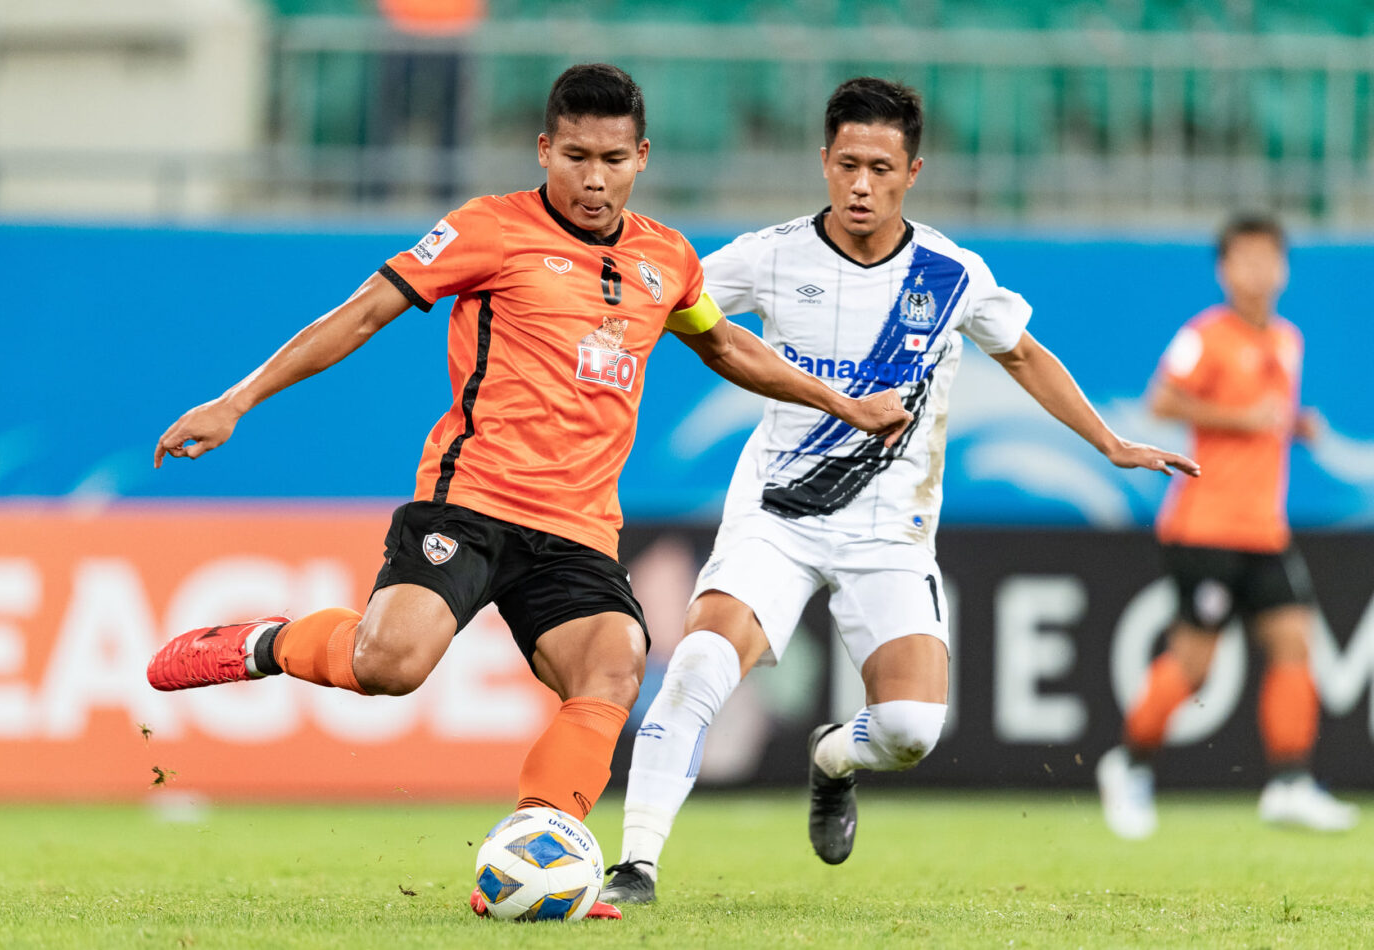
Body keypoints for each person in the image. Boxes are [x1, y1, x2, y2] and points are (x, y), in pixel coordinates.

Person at [145, 63, 912, 919]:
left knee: (615, 664)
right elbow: (362, 313)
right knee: (389, 665)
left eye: (613, 158)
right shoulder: (489, 231)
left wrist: (842, 403)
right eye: (575, 155)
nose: (593, 178)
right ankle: (265, 643)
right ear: (544, 148)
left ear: (642, 156)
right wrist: (236, 400)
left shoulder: (668, 258)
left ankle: (539, 864)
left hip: (579, 530)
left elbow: (727, 346)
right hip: (471, 501)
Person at [601, 77, 1197, 905]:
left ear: (912, 171)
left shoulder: (951, 274)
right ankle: (635, 865)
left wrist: (1109, 442)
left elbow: (1023, 355)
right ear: (823, 161)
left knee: (913, 731)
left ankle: (831, 759)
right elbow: (663, 302)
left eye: (881, 167)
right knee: (700, 660)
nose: (861, 185)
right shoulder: (770, 255)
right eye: (847, 164)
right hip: (776, 516)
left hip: (890, 534)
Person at [1095, 215, 1357, 839]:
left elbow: (1268, 417)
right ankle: (1127, 766)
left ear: (1284, 268)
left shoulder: (1288, 341)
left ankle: (1291, 784)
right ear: (1224, 269)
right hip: (1205, 523)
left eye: (1270, 259)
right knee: (1194, 663)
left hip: (1264, 529)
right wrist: (1240, 417)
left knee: (1295, 643)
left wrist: (1294, 426)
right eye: (1245, 259)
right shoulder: (1204, 336)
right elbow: (1161, 400)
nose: (1259, 271)